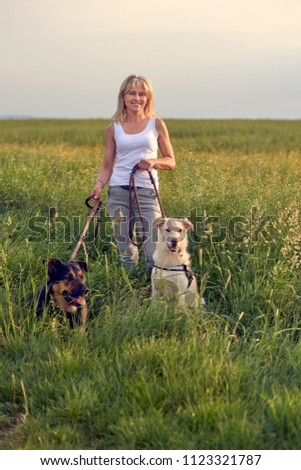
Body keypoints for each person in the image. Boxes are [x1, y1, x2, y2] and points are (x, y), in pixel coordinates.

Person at [89, 74, 175, 273]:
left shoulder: (157, 124)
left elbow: (171, 160)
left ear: (148, 98)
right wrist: (98, 186)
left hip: (146, 191)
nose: (137, 98)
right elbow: (106, 165)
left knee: (153, 243)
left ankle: (155, 286)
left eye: (142, 94)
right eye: (132, 93)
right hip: (118, 191)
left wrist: (153, 162)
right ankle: (132, 288)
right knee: (125, 245)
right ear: (123, 97)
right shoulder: (114, 128)